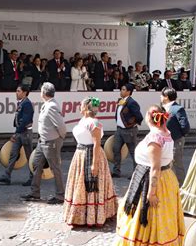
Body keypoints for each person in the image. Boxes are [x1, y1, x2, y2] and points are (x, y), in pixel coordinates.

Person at [114, 104, 185, 246]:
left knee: (149, 216)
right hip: (165, 179)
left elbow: (155, 168)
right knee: (163, 215)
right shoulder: (165, 132)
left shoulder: (155, 137)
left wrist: (151, 193)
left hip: (152, 181)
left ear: (149, 117)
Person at [63, 97, 118, 226]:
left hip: (91, 154)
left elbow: (96, 144)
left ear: (86, 108)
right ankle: (81, 214)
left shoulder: (95, 123)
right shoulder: (83, 121)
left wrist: (94, 163)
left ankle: (93, 215)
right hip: (80, 154)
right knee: (79, 184)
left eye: (81, 105)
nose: (79, 107)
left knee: (91, 185)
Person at [21, 82, 66, 204]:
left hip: (51, 141)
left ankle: (60, 195)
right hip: (43, 141)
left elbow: (61, 126)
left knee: (55, 167)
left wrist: (60, 139)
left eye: (41, 90)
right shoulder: (48, 104)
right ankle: (35, 193)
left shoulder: (51, 106)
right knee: (36, 164)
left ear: (44, 93)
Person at [0, 85, 34, 186]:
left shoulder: (27, 104)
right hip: (21, 132)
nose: (16, 93)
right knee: (13, 154)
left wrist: (16, 133)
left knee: (30, 157)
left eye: (18, 91)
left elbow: (25, 120)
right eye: (16, 91)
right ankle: (7, 176)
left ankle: (33, 178)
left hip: (25, 133)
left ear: (24, 93)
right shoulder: (23, 103)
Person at [112, 83, 143, 178]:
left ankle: (136, 173)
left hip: (129, 130)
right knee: (116, 149)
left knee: (133, 152)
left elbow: (139, 117)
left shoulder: (132, 102)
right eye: (121, 89)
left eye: (123, 89)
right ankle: (116, 171)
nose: (121, 91)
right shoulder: (121, 101)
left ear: (129, 92)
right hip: (119, 129)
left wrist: (132, 124)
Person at [160, 88, 190, 185]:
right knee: (167, 163)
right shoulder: (163, 108)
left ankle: (181, 185)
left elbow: (184, 125)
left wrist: (180, 136)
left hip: (176, 140)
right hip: (165, 140)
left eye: (162, 95)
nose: (160, 97)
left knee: (177, 163)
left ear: (166, 97)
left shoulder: (177, 108)